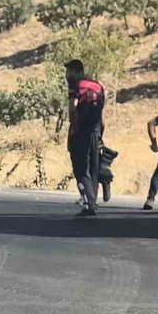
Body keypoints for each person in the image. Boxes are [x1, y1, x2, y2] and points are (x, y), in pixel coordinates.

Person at [65, 59, 104, 217]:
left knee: (80, 168)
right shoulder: (98, 85)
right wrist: (100, 134)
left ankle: (89, 203)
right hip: (95, 131)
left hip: (81, 132)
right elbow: (102, 113)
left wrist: (73, 128)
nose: (67, 75)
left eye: (68, 71)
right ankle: (92, 200)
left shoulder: (75, 86)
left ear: (75, 71)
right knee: (93, 168)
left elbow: (72, 108)